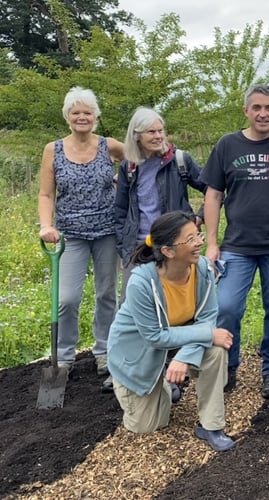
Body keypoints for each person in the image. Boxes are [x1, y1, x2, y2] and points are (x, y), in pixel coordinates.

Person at [200, 85, 269, 397]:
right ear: (246, 111)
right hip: (237, 245)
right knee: (228, 307)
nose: (264, 113)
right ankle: (228, 365)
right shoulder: (227, 145)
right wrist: (212, 242)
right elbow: (213, 195)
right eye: (257, 107)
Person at [107, 211, 235, 452]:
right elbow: (154, 336)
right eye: (190, 239)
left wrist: (185, 357)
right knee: (147, 425)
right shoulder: (141, 283)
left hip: (177, 337)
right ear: (168, 251)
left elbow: (207, 318)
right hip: (138, 353)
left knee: (216, 349)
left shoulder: (204, 270)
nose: (200, 242)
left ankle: (211, 425)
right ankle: (160, 383)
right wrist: (207, 334)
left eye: (198, 234)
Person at [38, 86, 124, 383]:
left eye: (87, 112)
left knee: (106, 294)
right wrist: (46, 225)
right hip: (69, 235)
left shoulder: (109, 146)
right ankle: (63, 356)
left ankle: (105, 352)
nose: (82, 117)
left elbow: (137, 160)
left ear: (95, 116)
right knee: (67, 298)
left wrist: (121, 183)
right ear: (67, 117)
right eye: (76, 112)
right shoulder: (54, 149)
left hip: (107, 232)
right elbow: (46, 194)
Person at [114, 107, 206, 303]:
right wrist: (124, 249)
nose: (158, 136)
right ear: (137, 136)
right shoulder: (128, 167)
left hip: (174, 245)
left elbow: (213, 190)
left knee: (174, 301)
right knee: (131, 303)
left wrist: (198, 217)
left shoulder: (180, 160)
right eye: (151, 132)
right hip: (138, 247)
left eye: (160, 130)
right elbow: (120, 211)